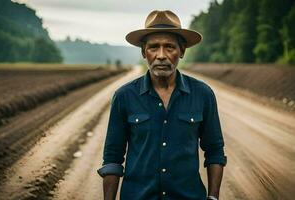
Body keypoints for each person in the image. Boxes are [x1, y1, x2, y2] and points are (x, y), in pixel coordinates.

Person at [97, 10, 227, 200]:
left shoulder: (203, 94)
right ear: (143, 52)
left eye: (169, 47)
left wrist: (213, 197)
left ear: (182, 51)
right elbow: (113, 158)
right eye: (153, 47)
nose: (161, 55)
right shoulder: (124, 97)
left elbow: (214, 151)